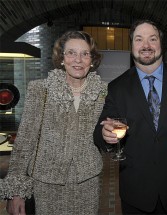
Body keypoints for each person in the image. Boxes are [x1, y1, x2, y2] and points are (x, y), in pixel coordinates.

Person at [93, 20, 167, 214]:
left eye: (152, 39)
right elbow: (99, 132)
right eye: (139, 39)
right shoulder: (117, 88)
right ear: (131, 45)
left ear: (160, 44)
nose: (146, 45)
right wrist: (105, 135)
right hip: (135, 193)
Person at [3, 31, 107, 214]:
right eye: (71, 53)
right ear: (61, 58)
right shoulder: (40, 90)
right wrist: (16, 192)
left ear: (92, 60)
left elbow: (105, 135)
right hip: (46, 184)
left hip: (87, 183)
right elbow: (25, 142)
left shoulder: (102, 93)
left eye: (85, 54)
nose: (78, 59)